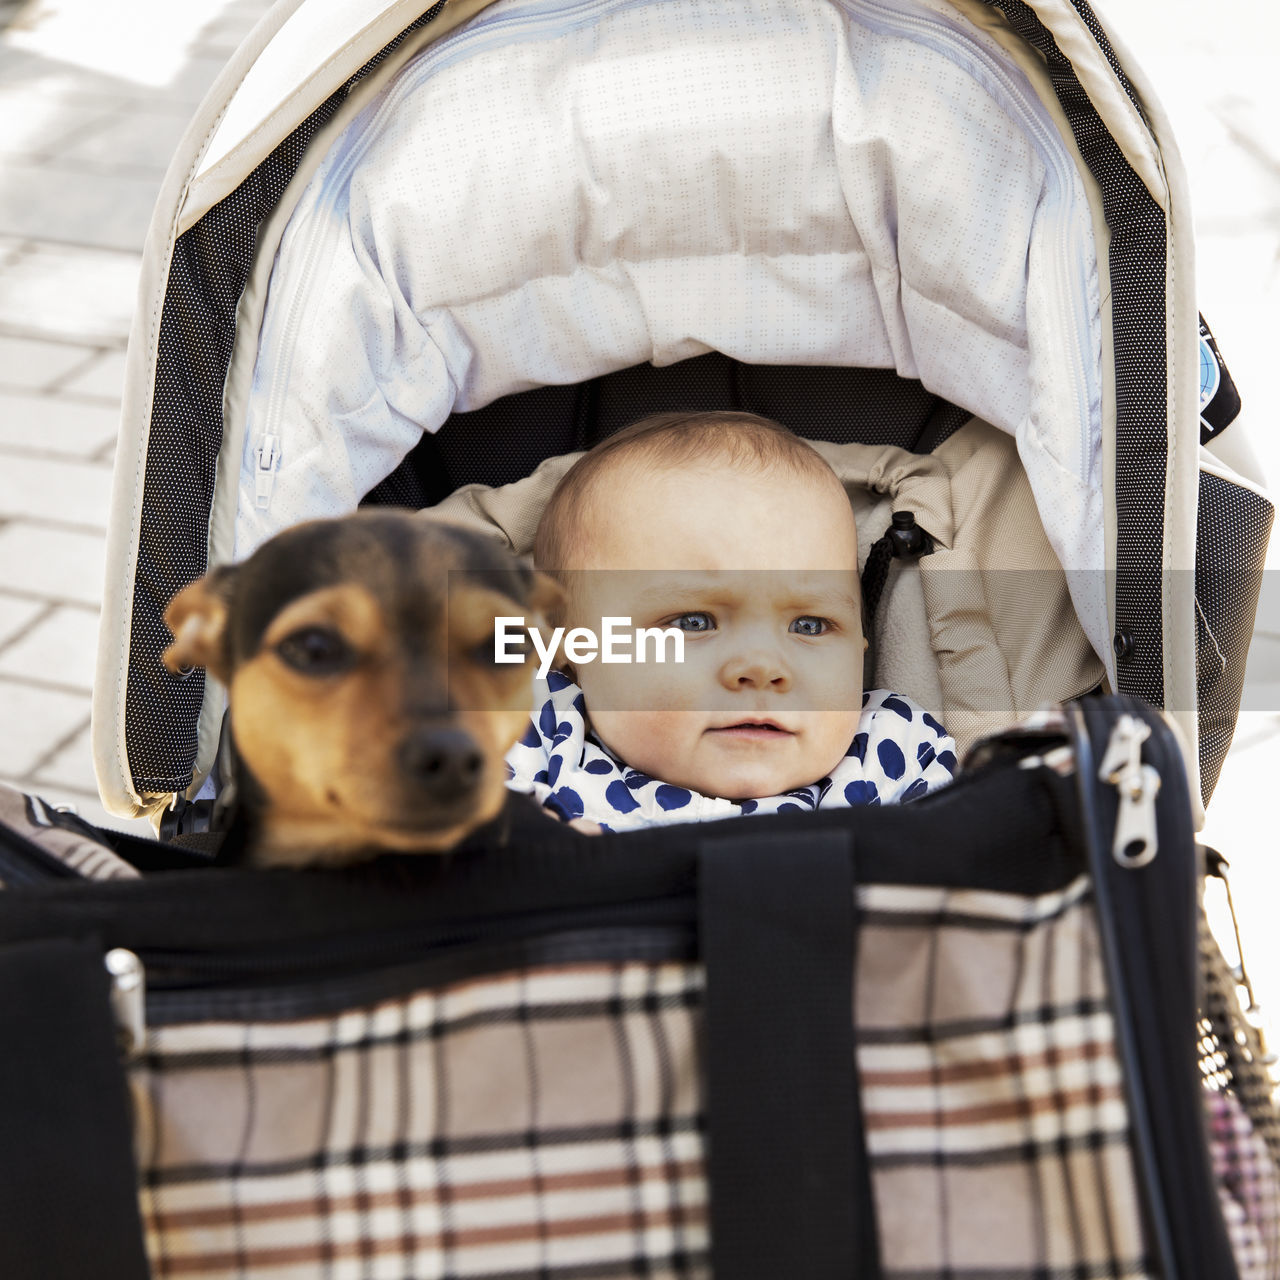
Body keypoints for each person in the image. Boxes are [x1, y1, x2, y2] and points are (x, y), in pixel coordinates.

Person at [505, 411, 957, 830]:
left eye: (810, 626)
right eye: (694, 622)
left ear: (861, 647)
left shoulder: (889, 750)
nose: (762, 668)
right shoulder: (538, 735)